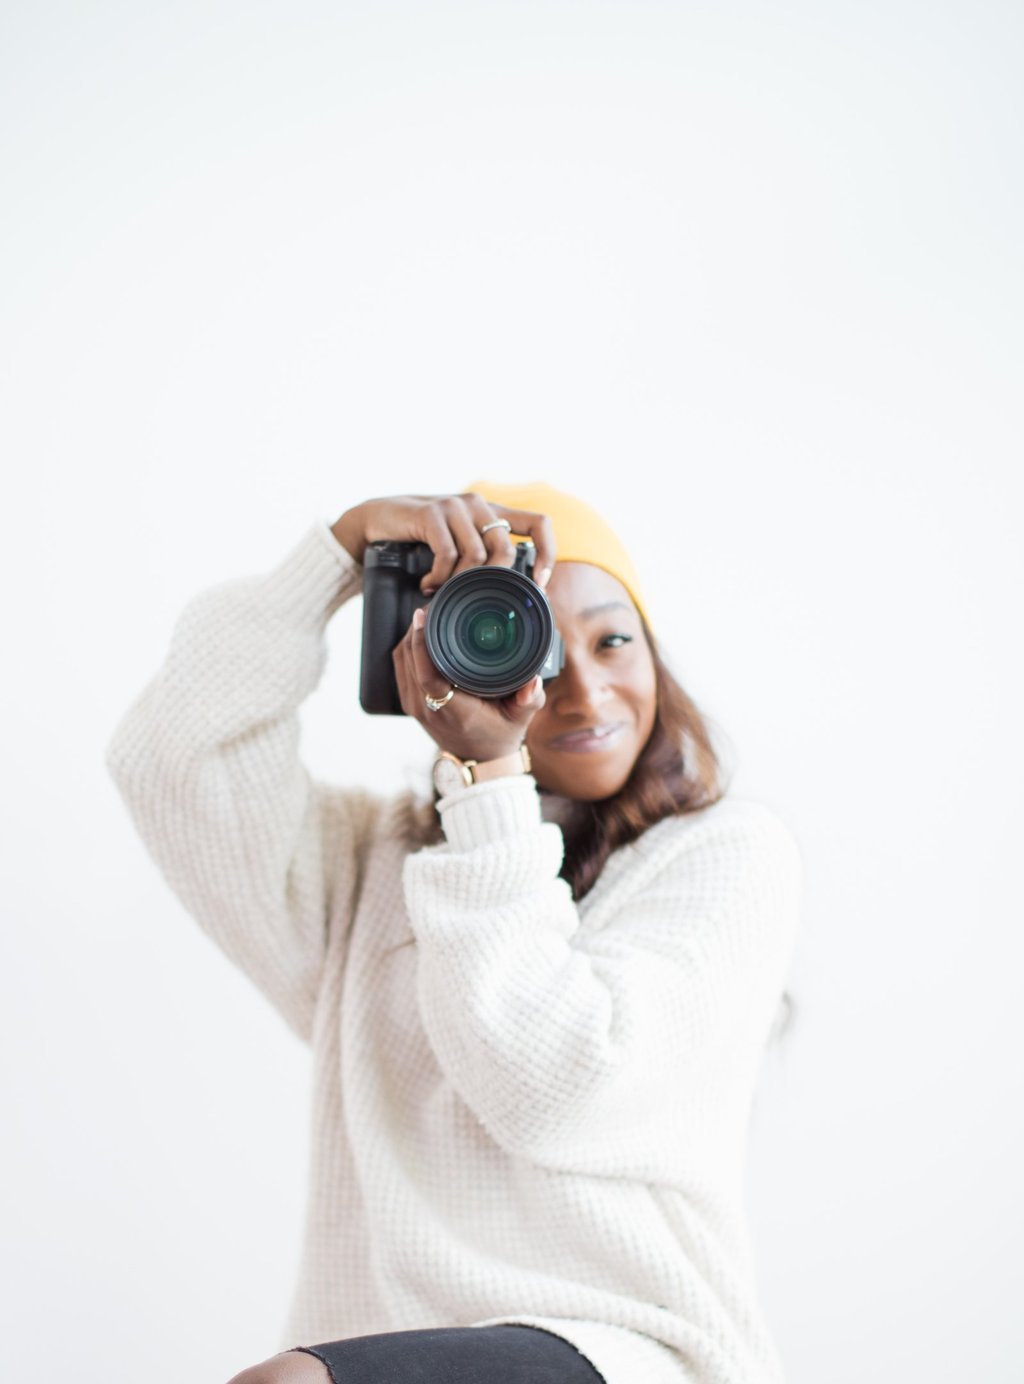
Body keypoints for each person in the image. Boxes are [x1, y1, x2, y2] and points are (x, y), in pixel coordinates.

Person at [105, 482, 803, 1384]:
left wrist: (486, 777)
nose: (583, 691)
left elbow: (547, 1088)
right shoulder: (372, 870)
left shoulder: (726, 857)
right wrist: (335, 558)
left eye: (613, 639)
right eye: (533, 644)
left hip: (625, 1348)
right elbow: (169, 757)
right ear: (432, 654)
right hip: (376, 1342)